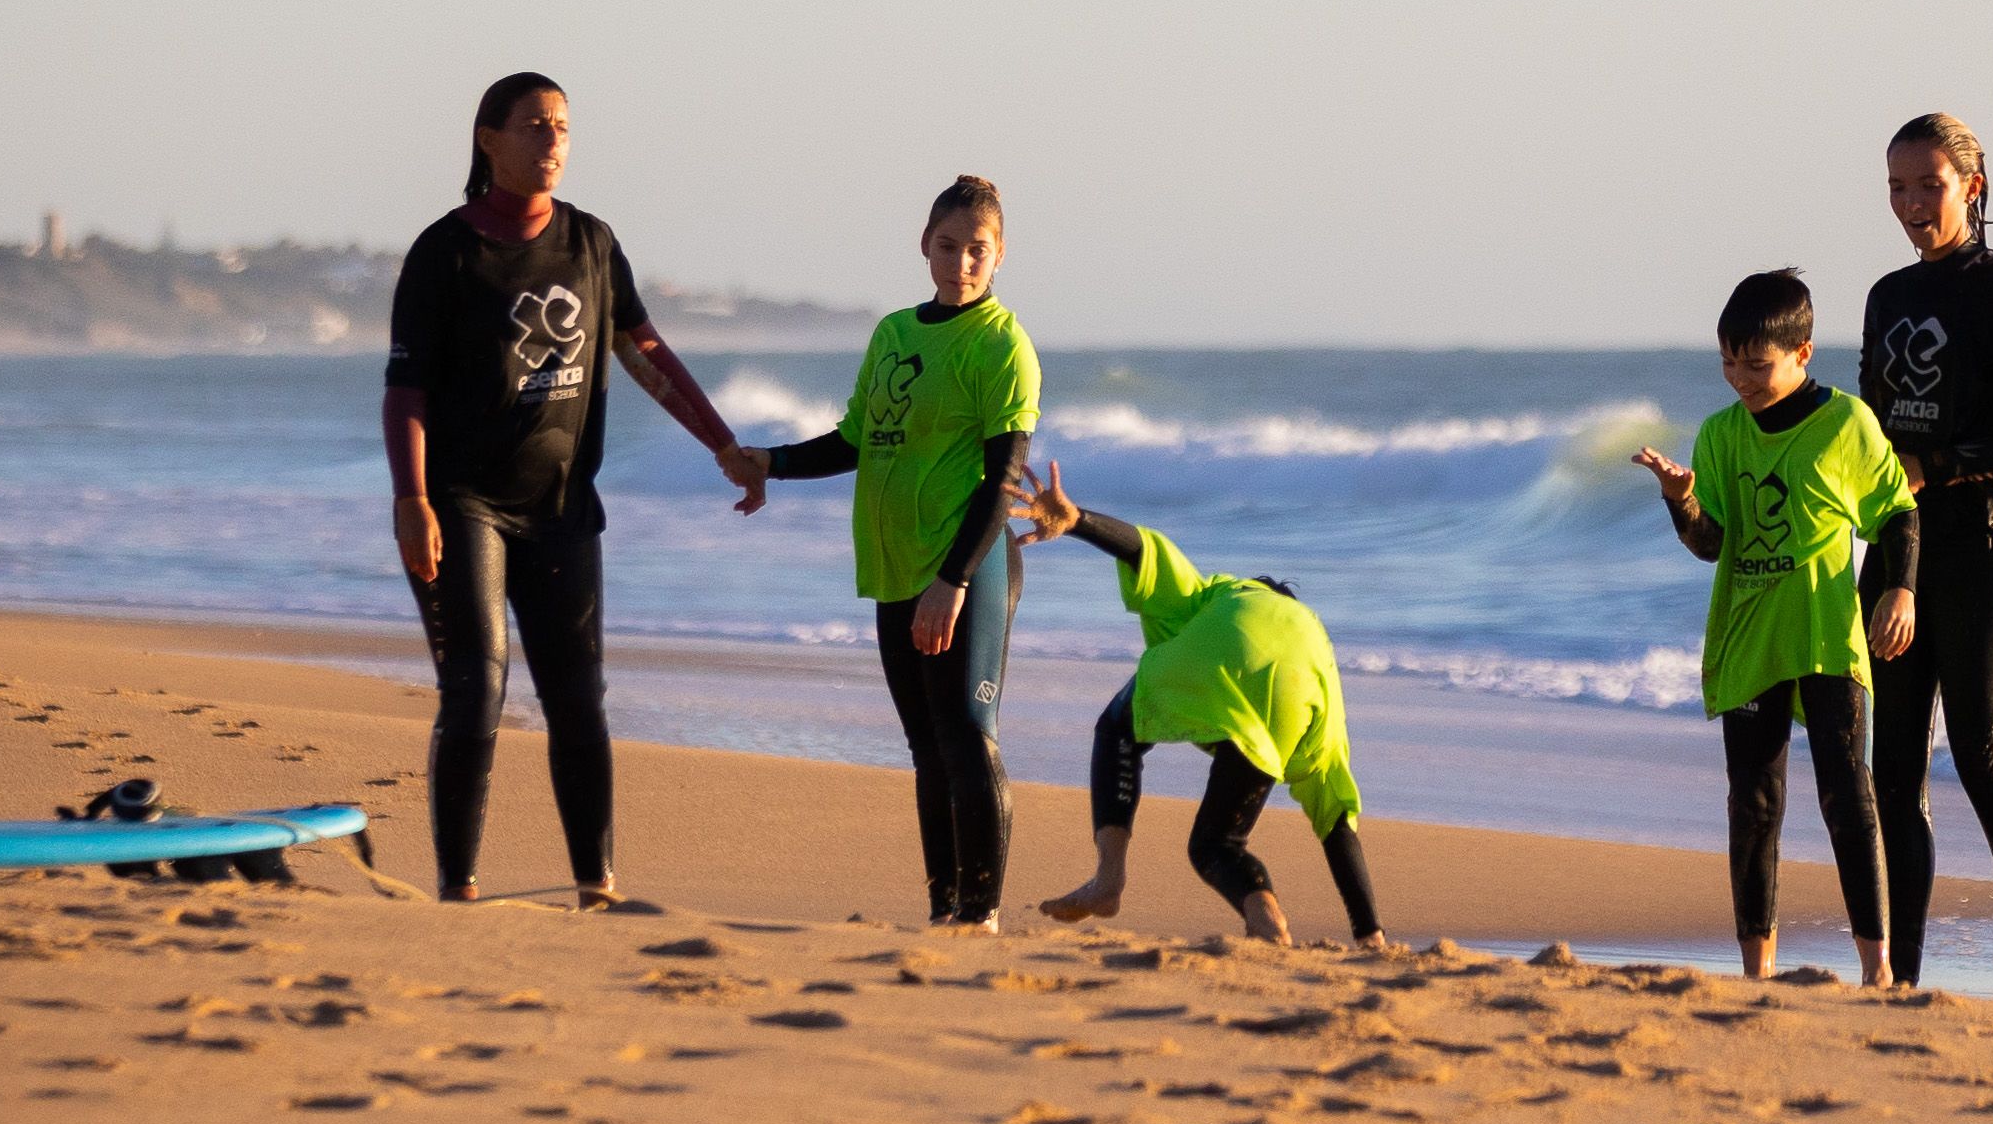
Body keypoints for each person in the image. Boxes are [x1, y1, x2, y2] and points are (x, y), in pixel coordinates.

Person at [382, 71, 754, 905]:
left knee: (578, 699)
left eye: (562, 125)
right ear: (489, 138)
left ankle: (597, 885)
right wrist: (411, 500)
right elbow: (405, 391)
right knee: (477, 685)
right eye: (533, 125)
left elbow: (645, 352)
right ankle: (458, 889)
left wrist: (722, 443)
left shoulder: (590, 242)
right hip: (460, 502)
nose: (552, 139)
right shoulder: (444, 252)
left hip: (559, 508)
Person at [727, 178, 1039, 930]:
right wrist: (768, 462)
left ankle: (982, 914)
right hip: (895, 566)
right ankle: (944, 909)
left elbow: (1002, 481)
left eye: (977, 250)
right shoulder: (895, 333)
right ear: (923, 242)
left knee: (968, 734)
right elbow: (856, 441)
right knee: (927, 748)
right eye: (947, 244)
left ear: (1000, 256)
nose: (961, 262)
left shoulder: (1001, 345)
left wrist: (953, 579)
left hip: (966, 567)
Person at [1633, 268, 1915, 986]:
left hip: (1824, 636)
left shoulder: (1845, 423)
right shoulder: (1721, 434)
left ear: (1802, 353)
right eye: (1728, 362)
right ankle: (1757, 970)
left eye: (1755, 364)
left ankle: (1876, 969)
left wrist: (1900, 591)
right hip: (1749, 638)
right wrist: (1682, 501)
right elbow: (1711, 544)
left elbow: (1896, 513)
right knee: (1754, 805)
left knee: (1846, 797)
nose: (1740, 379)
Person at [1859, 112, 1993, 1001]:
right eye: (1896, 188)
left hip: (1990, 543)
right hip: (1898, 551)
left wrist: (1936, 464)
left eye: (1929, 186)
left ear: (1972, 187)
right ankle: (1900, 976)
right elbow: (1871, 425)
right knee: (1892, 772)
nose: (1912, 205)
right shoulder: (1886, 295)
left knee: (1986, 761)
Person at [1012, 463, 1386, 948]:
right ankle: (1269, 917)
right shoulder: (1319, 656)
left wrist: (1079, 520)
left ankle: (1108, 879)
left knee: (1117, 729)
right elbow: (1337, 817)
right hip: (1294, 697)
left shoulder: (1225, 592)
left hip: (1215, 658)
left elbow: (1150, 552)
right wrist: (1369, 930)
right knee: (1217, 845)